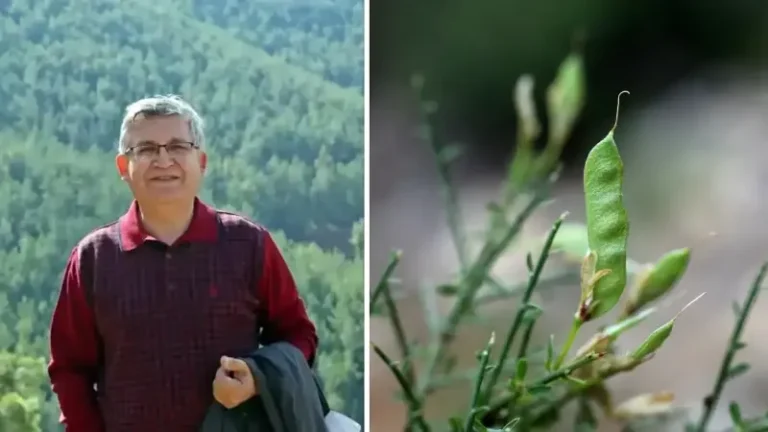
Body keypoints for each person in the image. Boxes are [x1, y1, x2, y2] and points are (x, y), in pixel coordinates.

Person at [47, 95, 318, 431]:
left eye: (178, 146)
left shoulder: (248, 244)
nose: (163, 160)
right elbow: (70, 371)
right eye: (146, 149)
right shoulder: (93, 259)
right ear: (123, 167)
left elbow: (299, 335)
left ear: (201, 161)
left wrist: (257, 379)